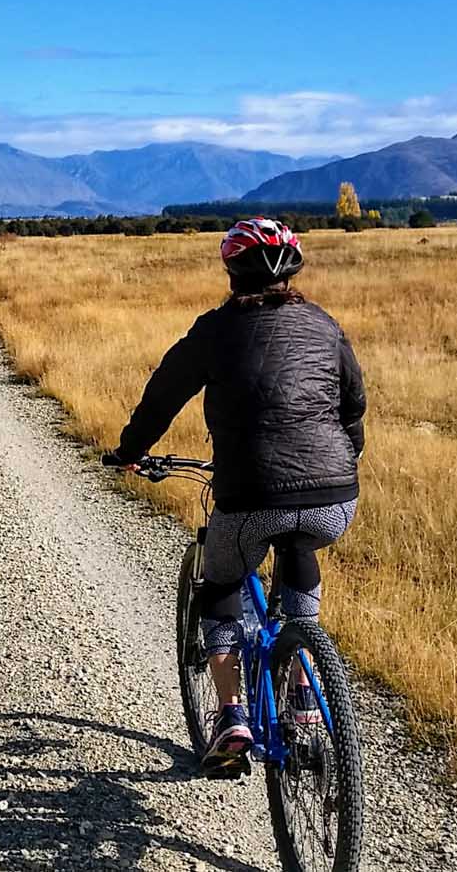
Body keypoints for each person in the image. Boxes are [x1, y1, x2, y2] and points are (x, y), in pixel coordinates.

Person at [103, 218, 366, 779]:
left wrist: (129, 450)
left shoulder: (215, 331)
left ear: (231, 273)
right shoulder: (325, 325)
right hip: (335, 496)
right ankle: (302, 698)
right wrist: (345, 461)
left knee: (221, 584)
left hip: (249, 494)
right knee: (300, 550)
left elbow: (162, 397)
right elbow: (353, 406)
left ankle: (231, 716)